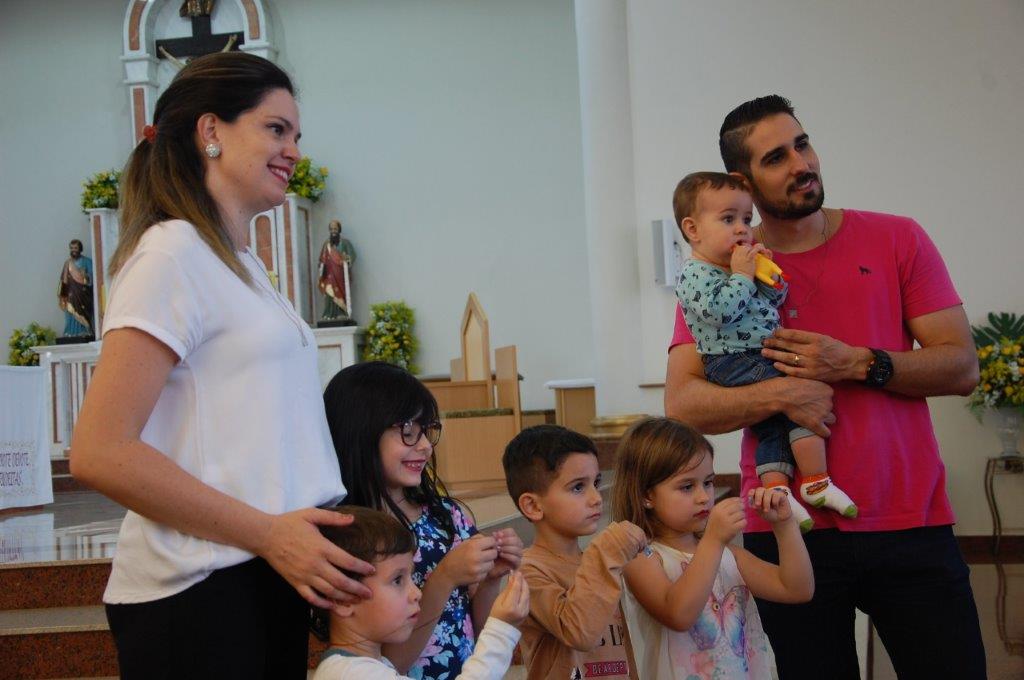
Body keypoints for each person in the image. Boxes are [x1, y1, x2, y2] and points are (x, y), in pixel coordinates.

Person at [69, 52, 374, 679]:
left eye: (296, 135)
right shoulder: (170, 255)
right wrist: (268, 533)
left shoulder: (240, 264)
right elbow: (99, 451)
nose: (293, 151)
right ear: (210, 130)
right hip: (201, 589)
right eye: (275, 129)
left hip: (265, 569)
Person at [664, 94, 985, 678]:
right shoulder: (719, 272)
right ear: (743, 181)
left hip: (909, 520)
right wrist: (782, 395)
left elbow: (962, 367)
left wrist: (858, 363)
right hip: (786, 529)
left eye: (802, 144)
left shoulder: (897, 238)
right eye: (776, 158)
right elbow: (683, 404)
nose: (801, 164)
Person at [672, 171, 855, 532]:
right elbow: (720, 312)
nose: (743, 229)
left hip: (755, 354)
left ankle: (778, 492)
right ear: (693, 229)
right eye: (728, 219)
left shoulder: (734, 267)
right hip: (733, 361)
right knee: (802, 395)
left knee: (771, 428)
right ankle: (816, 481)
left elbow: (773, 301)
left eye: (746, 218)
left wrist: (768, 276)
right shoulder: (694, 274)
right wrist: (742, 275)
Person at [324, 361, 524, 680]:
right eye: (408, 432)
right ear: (361, 432)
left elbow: (480, 633)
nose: (426, 447)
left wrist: (489, 580)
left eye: (427, 431)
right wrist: (444, 578)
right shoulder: (349, 535)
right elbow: (388, 665)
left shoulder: (447, 516)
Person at [613, 417, 813, 679]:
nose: (704, 497)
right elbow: (679, 615)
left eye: (707, 482)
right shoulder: (642, 557)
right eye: (687, 486)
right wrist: (713, 540)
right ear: (646, 495)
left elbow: (797, 589)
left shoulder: (729, 555)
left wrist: (784, 526)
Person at [312, 505, 529, 680]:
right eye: (397, 580)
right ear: (342, 600)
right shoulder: (352, 674)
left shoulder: (364, 668)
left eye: (411, 578)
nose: (416, 593)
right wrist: (501, 631)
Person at [501, 424, 647, 680]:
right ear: (533, 506)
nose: (596, 498)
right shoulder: (528, 572)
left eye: (596, 483)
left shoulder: (597, 562)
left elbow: (624, 652)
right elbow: (578, 632)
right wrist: (607, 552)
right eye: (578, 487)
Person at [318, 218, 356, 322]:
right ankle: (329, 314)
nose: (333, 231)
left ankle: (341, 313)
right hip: (329, 275)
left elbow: (352, 255)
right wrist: (321, 266)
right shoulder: (326, 244)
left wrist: (346, 260)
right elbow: (322, 259)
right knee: (329, 293)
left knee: (340, 294)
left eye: (335, 229)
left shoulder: (345, 243)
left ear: (339, 230)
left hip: (340, 275)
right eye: (331, 229)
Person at [57, 239, 94, 337]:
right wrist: (62, 295)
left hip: (83, 295)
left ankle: (85, 330)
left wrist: (85, 276)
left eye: (76, 248)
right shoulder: (67, 263)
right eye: (72, 248)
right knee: (70, 312)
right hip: (70, 294)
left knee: (82, 311)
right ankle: (70, 331)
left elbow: (93, 278)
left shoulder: (87, 261)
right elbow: (64, 280)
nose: (73, 250)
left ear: (80, 249)